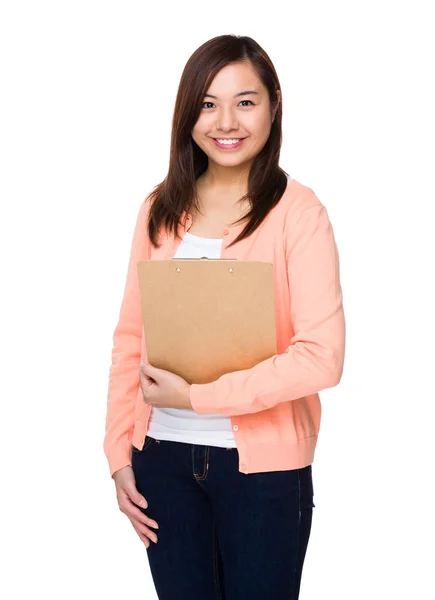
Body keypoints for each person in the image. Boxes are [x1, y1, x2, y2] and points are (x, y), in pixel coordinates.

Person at [104, 34, 346, 600]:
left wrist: (197, 397)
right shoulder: (159, 208)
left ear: (273, 105)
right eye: (208, 103)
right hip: (161, 463)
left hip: (262, 475)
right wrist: (118, 452)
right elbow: (130, 339)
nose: (226, 121)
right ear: (188, 113)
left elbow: (322, 358)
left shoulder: (297, 212)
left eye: (246, 100)